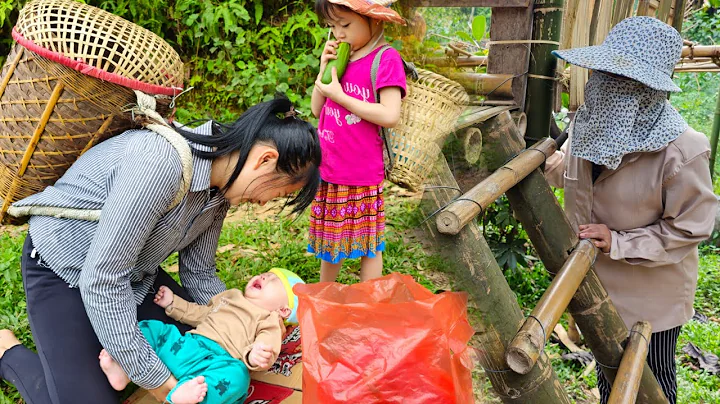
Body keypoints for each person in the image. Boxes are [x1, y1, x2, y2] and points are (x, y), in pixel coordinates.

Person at [0, 96, 321, 404]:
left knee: (204, 354)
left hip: (133, 276)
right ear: (265, 159)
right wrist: (163, 386)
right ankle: (8, 351)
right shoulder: (161, 163)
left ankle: (107, 353)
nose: (266, 202)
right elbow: (102, 280)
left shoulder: (223, 189)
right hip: (64, 269)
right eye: (277, 193)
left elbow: (199, 272)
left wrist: (244, 320)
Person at [545, 17, 716, 404]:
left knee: (647, 386)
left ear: (649, 90)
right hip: (594, 283)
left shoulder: (682, 150)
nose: (606, 85)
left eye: (622, 78)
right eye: (604, 72)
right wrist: (539, 159)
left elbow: (691, 228)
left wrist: (619, 241)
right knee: (610, 374)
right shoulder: (588, 124)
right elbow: (570, 171)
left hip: (649, 299)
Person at [99, 268, 305, 404]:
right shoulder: (230, 296)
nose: (263, 276)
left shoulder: (269, 320)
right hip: (189, 346)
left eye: (273, 280)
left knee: (237, 378)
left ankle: (183, 396)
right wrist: (173, 304)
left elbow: (266, 342)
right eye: (265, 273)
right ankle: (124, 367)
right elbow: (202, 314)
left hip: (221, 361)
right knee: (153, 329)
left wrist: (255, 355)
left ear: (284, 310)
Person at [309, 0, 407, 283]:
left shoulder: (385, 59)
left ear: (373, 21)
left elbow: (390, 114)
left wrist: (341, 97)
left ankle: (369, 302)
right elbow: (317, 109)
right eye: (332, 26)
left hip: (362, 172)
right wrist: (323, 71)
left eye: (346, 25)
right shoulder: (341, 57)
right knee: (331, 244)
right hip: (330, 168)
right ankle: (325, 296)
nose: (338, 34)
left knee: (370, 245)